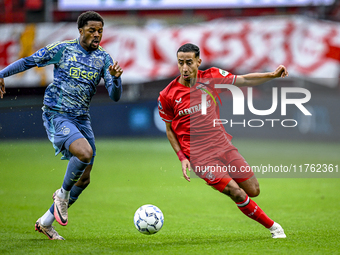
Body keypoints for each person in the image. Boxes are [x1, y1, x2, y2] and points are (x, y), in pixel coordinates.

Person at [0, 11, 123, 240]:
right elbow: (29, 61)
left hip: (81, 118)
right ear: (80, 30)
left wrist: (114, 79)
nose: (97, 35)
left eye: (100, 31)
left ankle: (46, 222)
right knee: (84, 153)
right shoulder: (63, 49)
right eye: (92, 30)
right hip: (57, 114)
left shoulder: (104, 58)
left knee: (85, 179)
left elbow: (115, 95)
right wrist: (2, 74)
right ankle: (62, 195)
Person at [158, 43, 287, 238]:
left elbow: (243, 80)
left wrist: (272, 75)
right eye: (181, 63)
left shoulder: (211, 77)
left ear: (198, 62)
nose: (185, 68)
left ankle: (227, 182)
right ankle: (274, 228)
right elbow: (169, 130)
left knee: (253, 190)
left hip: (223, 145)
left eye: (189, 63)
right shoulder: (167, 95)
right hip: (200, 157)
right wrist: (182, 157)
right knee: (237, 192)